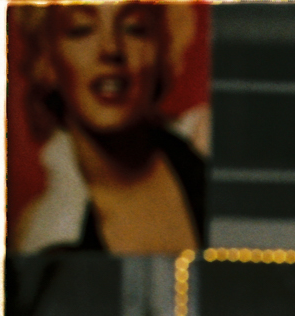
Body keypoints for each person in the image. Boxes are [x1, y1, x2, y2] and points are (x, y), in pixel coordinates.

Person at [12, 2, 208, 254]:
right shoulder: (44, 239)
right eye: (81, 29)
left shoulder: (212, 150)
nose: (111, 48)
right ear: (45, 58)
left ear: (162, 46)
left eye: (135, 28)